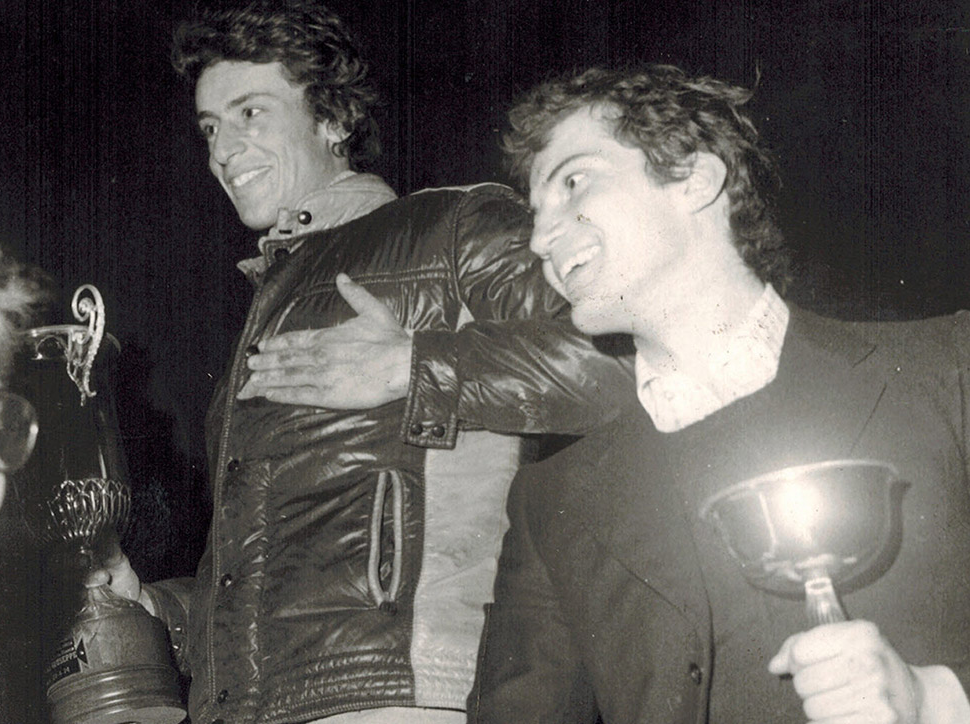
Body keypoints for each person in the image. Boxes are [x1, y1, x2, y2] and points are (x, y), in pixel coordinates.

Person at [467, 65, 970, 724]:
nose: (539, 239)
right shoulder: (552, 499)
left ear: (694, 179)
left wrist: (931, 700)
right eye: (535, 213)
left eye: (573, 183)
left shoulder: (946, 376)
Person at [92, 3, 631, 724]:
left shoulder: (451, 225)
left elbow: (619, 365)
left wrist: (414, 367)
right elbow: (269, 580)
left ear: (334, 118)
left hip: (400, 693)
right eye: (211, 127)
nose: (223, 149)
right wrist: (155, 609)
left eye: (251, 112)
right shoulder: (262, 319)